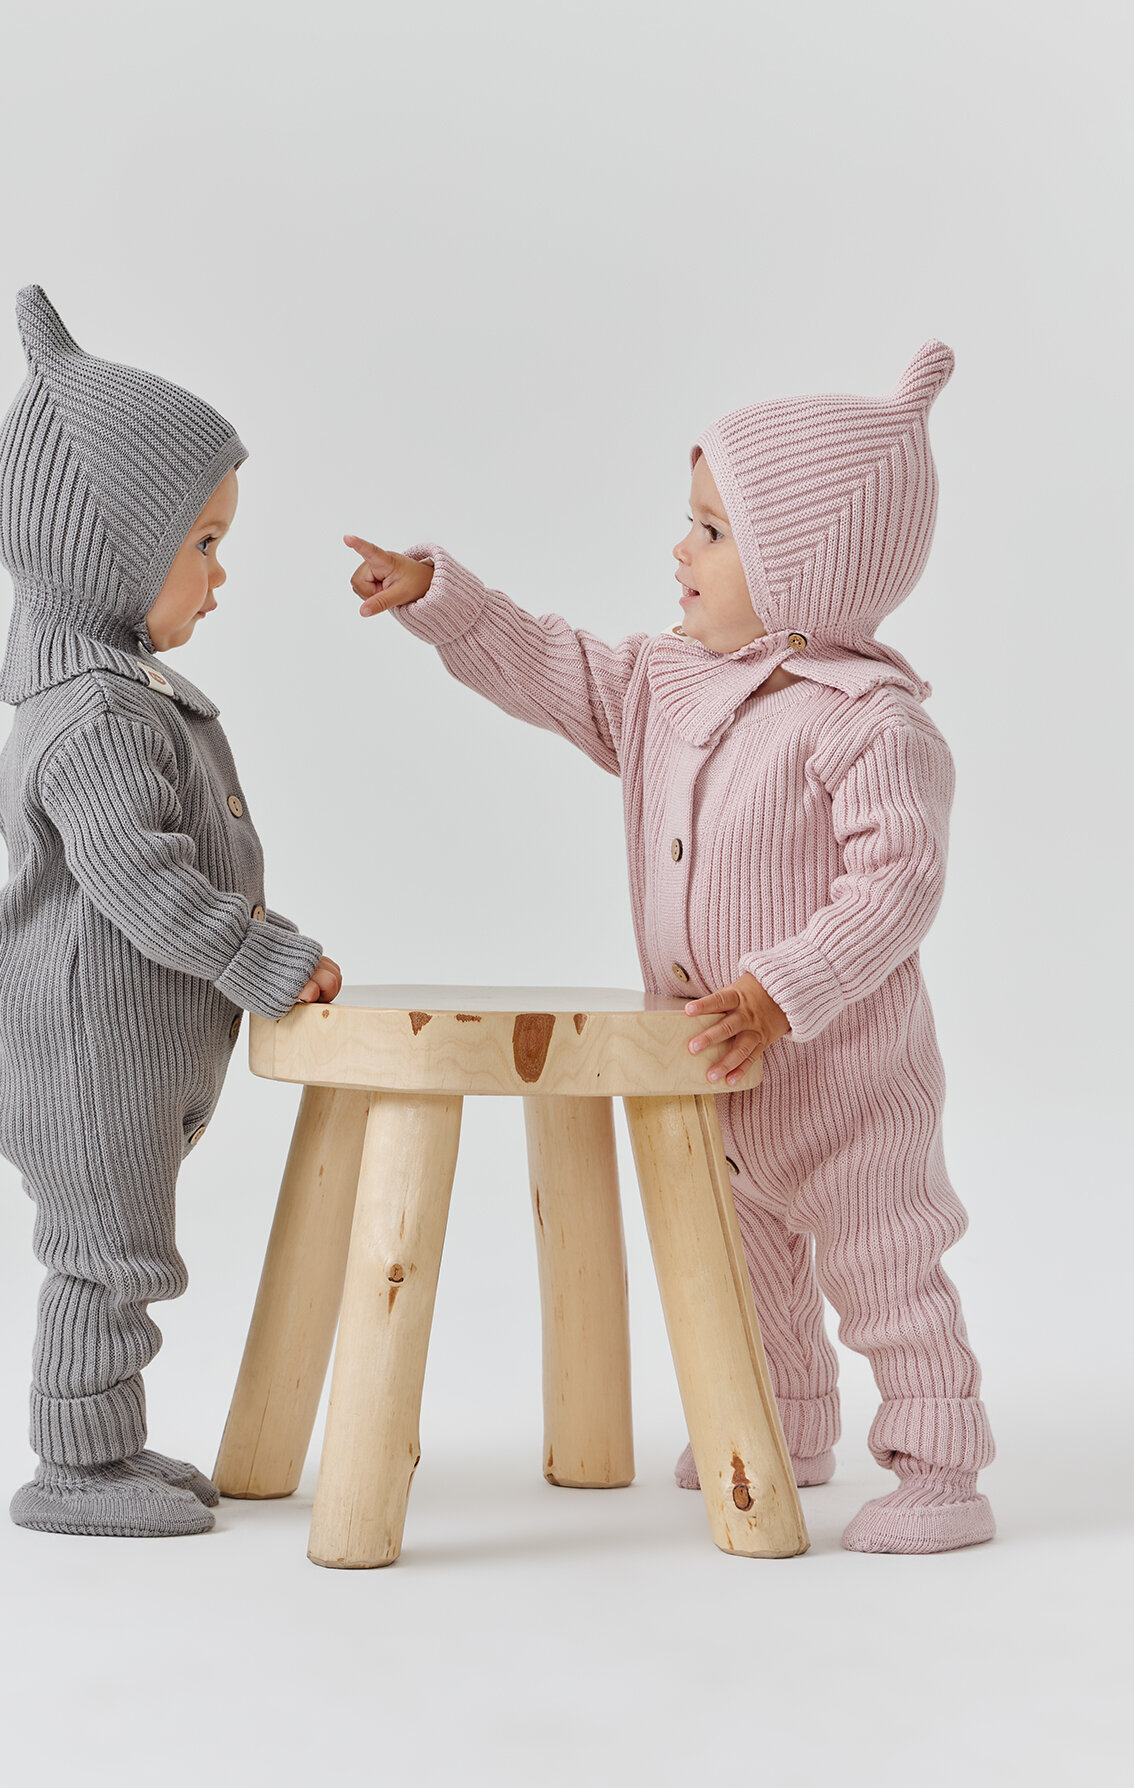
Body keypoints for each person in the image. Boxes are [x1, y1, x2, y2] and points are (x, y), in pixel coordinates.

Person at [344, 342, 994, 1554]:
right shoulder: (669, 684)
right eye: (689, 523)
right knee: (747, 1271)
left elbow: (898, 884)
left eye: (712, 530)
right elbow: (554, 667)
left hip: (845, 1082)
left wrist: (782, 990)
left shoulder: (872, 725)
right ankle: (786, 1427)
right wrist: (444, 599)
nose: (680, 551)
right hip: (709, 1066)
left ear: (804, 565)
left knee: (886, 1267)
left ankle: (941, 1469)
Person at [0, 286, 340, 1538]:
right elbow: (146, 882)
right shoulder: (96, 718)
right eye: (205, 544)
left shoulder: (120, 694)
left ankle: (110, 1443)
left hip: (121, 1055)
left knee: (123, 1252)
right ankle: (74, 1472)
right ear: (111, 551)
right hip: (84, 1059)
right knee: (108, 1259)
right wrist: (265, 958)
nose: (221, 577)